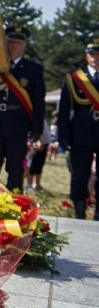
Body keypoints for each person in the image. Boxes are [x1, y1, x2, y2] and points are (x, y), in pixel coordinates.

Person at [0, 26, 45, 191]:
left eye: (18, 42)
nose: (14, 45)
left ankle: (14, 203)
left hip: (18, 125)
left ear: (24, 45)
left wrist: (36, 128)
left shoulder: (34, 69)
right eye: (11, 42)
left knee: (15, 169)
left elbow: (38, 101)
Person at [57, 37, 99, 220]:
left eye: (98, 54)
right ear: (86, 56)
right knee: (79, 175)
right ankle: (79, 213)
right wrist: (63, 135)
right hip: (81, 132)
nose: (95, 58)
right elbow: (64, 109)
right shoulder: (74, 77)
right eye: (92, 54)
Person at [25, 119, 51, 191]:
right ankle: (29, 185)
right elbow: (34, 129)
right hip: (35, 145)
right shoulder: (35, 117)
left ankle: (37, 184)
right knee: (32, 165)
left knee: (39, 165)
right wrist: (36, 141)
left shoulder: (43, 118)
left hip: (44, 144)